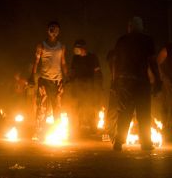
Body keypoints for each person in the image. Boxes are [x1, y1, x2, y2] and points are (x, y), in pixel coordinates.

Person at [111, 16, 162, 151]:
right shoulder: (147, 40)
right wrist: (157, 79)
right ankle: (145, 143)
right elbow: (152, 62)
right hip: (140, 81)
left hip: (125, 81)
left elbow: (115, 62)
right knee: (144, 112)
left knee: (124, 112)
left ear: (130, 26)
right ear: (141, 27)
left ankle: (118, 142)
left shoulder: (122, 40)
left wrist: (114, 81)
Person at [29, 21, 68, 139]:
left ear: (58, 32)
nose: (54, 31)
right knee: (42, 107)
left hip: (57, 81)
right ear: (47, 30)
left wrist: (66, 77)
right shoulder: (41, 45)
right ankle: (38, 132)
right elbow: (36, 61)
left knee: (57, 107)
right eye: (52, 28)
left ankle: (57, 132)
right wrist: (32, 76)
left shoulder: (62, 46)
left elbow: (63, 62)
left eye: (56, 29)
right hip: (44, 80)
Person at [70, 39, 103, 135]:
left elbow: (98, 72)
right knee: (78, 107)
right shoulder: (75, 58)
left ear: (83, 48)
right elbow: (72, 72)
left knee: (91, 107)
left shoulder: (92, 57)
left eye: (77, 48)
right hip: (78, 86)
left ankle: (93, 126)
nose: (75, 50)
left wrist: (99, 84)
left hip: (90, 86)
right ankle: (77, 127)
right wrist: (70, 81)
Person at [156, 42, 172, 134]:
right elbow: (157, 63)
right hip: (167, 81)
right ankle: (166, 128)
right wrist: (162, 76)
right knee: (167, 104)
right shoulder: (167, 49)